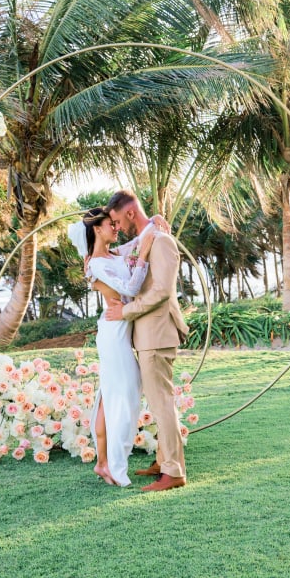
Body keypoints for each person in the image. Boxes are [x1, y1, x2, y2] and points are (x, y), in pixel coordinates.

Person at [105, 189, 189, 492]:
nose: (116, 229)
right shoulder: (144, 239)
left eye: (117, 222)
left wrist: (125, 311)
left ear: (129, 214)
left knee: (162, 402)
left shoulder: (162, 241)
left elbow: (162, 291)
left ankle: (174, 472)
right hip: (147, 335)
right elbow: (116, 253)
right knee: (158, 401)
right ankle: (163, 460)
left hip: (157, 334)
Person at [68, 208, 156, 487]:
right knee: (125, 396)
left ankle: (103, 463)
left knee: (112, 396)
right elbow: (129, 289)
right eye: (110, 224)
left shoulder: (113, 255)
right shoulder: (96, 265)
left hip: (117, 330)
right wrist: (142, 257)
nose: (116, 227)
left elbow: (141, 237)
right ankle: (115, 467)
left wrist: (154, 222)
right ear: (97, 229)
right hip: (114, 331)